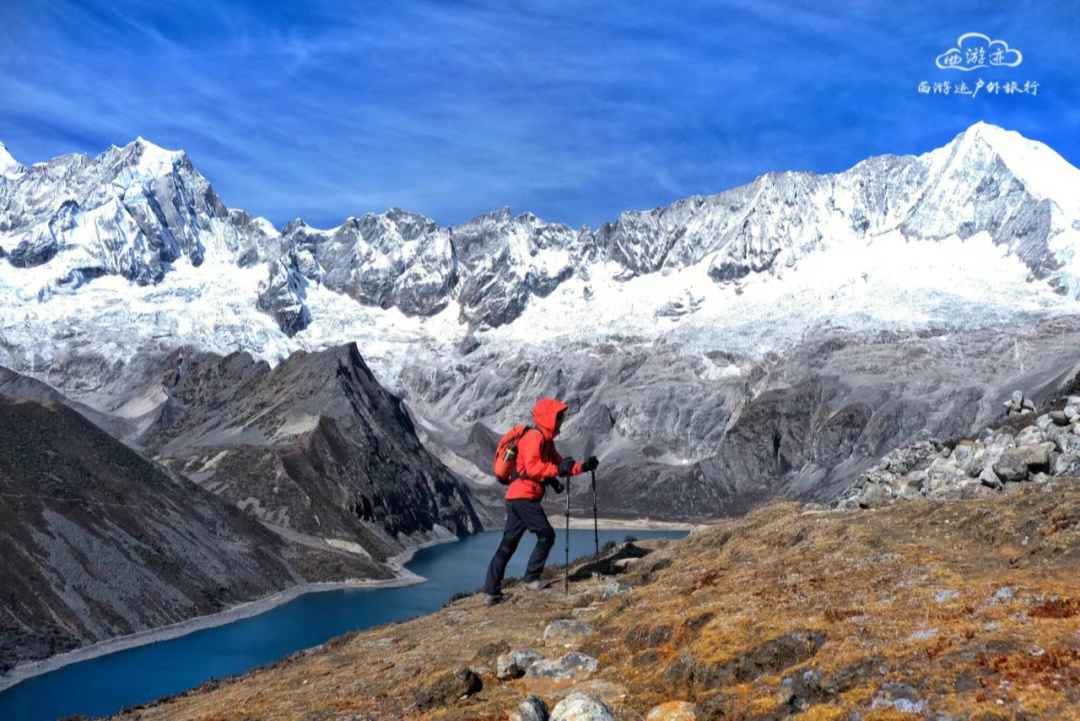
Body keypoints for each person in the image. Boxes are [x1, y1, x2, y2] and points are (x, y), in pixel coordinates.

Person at [483, 398, 599, 605]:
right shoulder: (534, 439)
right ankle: (531, 579)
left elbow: (559, 464)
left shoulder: (547, 442)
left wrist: (583, 467)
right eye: (559, 417)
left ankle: (491, 593)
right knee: (546, 535)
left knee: (507, 546)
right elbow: (534, 468)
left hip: (516, 498)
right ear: (548, 418)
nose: (561, 421)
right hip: (524, 498)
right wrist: (556, 471)